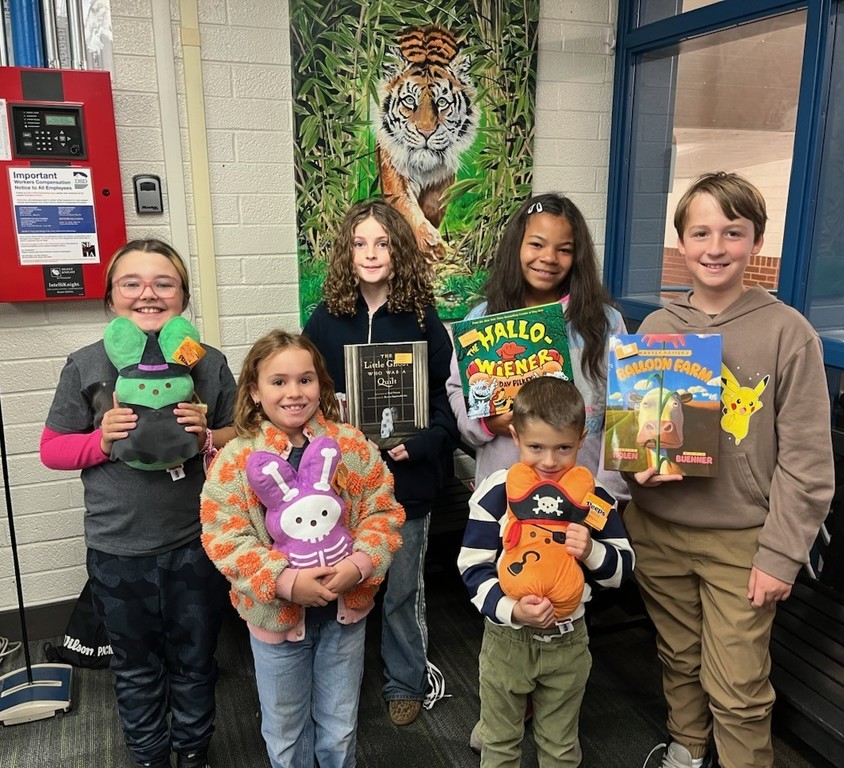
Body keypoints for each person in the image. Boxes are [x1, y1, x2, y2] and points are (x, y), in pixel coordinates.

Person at [628, 172, 834, 768]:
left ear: (757, 241)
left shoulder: (788, 333)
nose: (715, 246)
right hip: (659, 529)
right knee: (678, 658)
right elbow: (642, 435)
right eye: (701, 232)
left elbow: (807, 461)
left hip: (743, 542)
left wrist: (781, 554)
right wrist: (639, 470)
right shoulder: (658, 329)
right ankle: (687, 750)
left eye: (732, 232)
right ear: (682, 243)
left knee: (740, 686)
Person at [41, 239, 236, 768]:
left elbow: (245, 435)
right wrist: (101, 441)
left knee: (196, 660)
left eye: (163, 283)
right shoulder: (86, 365)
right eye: (132, 283)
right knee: (135, 665)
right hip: (117, 548)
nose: (147, 293)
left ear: (183, 299)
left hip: (196, 544)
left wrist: (210, 437)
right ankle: (148, 754)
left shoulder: (208, 362)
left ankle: (194, 750)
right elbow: (52, 450)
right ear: (111, 300)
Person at [200, 331, 404, 768]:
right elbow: (224, 538)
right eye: (278, 382)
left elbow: (383, 513)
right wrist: (285, 581)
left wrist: (360, 565)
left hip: (344, 615)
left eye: (305, 380)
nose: (294, 392)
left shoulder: (350, 446)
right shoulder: (235, 459)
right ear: (254, 391)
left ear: (321, 385)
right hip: (276, 623)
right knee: (286, 728)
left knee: (340, 722)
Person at [302, 198, 459, 726]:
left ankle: (405, 679)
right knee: (342, 579)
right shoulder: (323, 320)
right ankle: (335, 678)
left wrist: (419, 442)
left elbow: (446, 403)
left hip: (406, 480)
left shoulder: (422, 319)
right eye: (360, 243)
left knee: (401, 586)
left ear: (401, 250)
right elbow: (307, 396)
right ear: (347, 252)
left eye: (384, 243)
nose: (371, 254)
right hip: (342, 483)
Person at [457, 376, 634, 767]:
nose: (550, 461)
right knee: (500, 743)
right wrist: (511, 609)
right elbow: (472, 566)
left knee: (560, 747)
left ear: (582, 438)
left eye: (564, 448)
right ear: (515, 437)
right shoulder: (495, 492)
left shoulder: (592, 498)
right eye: (536, 447)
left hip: (568, 641)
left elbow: (623, 570)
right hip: (507, 640)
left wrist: (591, 551)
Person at [446, 192, 628, 494]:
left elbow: (621, 413)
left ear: (577, 257)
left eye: (564, 249)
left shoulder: (606, 322)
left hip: (582, 495)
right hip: (502, 493)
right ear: (517, 245)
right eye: (536, 244)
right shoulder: (482, 319)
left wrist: (606, 493)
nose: (548, 258)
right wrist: (488, 425)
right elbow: (456, 390)